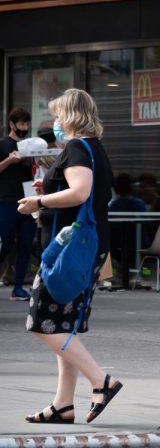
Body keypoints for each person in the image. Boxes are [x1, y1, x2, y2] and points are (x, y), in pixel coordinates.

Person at [17, 89, 122, 424]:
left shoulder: (77, 147)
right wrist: (46, 192)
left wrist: (40, 203)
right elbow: (79, 193)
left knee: (42, 321)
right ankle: (63, 405)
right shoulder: (92, 148)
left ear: (72, 116)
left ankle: (100, 380)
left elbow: (80, 191)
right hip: (84, 246)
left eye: (59, 116)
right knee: (63, 324)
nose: (55, 123)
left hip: (68, 250)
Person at [0, 107, 37, 301]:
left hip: (28, 199)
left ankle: (18, 288)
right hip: (6, 200)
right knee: (4, 243)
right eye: (21, 124)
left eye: (27, 124)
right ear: (12, 124)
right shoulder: (3, 144)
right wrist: (9, 160)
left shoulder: (30, 145)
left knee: (25, 243)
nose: (25, 127)